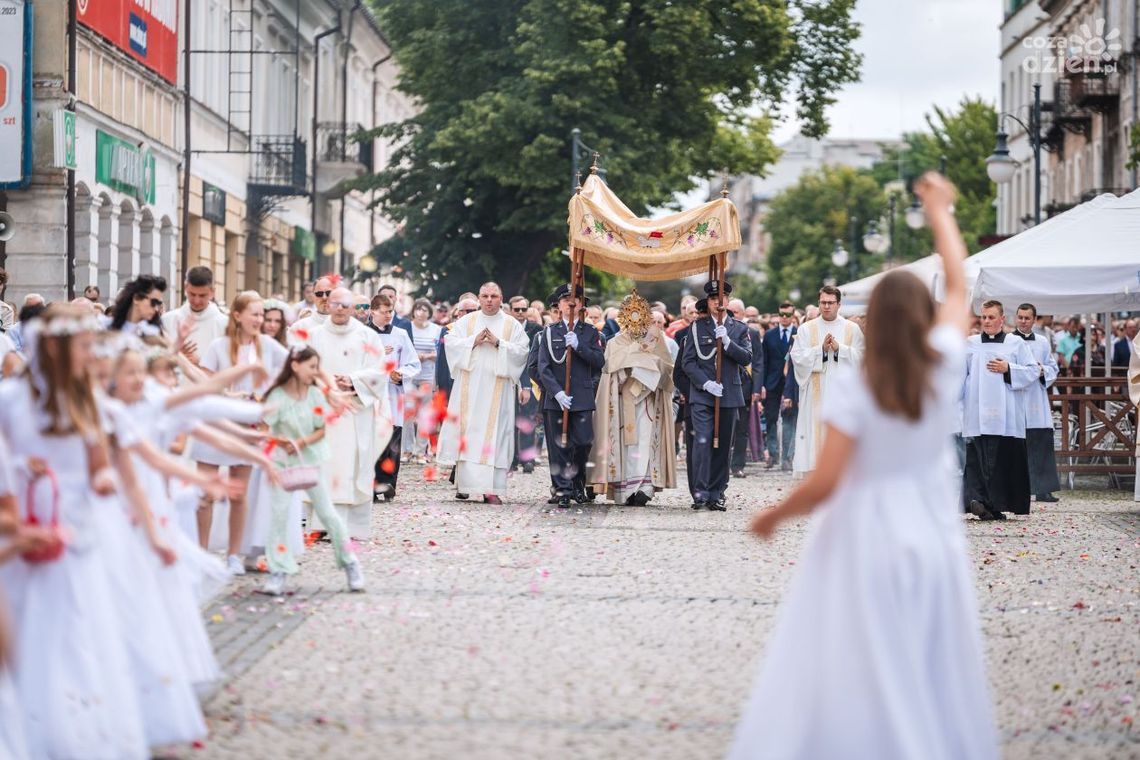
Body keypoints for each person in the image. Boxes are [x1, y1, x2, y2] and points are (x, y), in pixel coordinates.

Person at [732, 172, 998, 760]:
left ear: (871, 319)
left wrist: (773, 516)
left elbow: (826, 481)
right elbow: (959, 288)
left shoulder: (859, 388)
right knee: (927, 649)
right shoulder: (943, 365)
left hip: (864, 531)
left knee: (862, 650)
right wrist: (940, 212)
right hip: (930, 527)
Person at [195, 292, 289, 572]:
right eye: (255, 314)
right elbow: (204, 379)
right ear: (237, 315)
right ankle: (200, 552)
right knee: (206, 493)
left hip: (248, 424)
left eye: (262, 315)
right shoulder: (218, 346)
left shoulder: (268, 346)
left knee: (239, 492)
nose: (260, 320)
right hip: (216, 423)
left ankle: (234, 554)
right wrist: (225, 393)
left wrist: (269, 400)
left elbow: (290, 367)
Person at [259, 347, 366, 595]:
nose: (315, 372)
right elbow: (265, 428)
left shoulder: (316, 395)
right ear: (295, 366)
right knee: (278, 516)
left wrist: (301, 443)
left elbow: (320, 429)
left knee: (328, 514)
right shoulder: (277, 395)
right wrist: (279, 443)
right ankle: (278, 570)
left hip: (309, 460)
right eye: (312, 366)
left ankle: (350, 563)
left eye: (317, 367)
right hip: (281, 462)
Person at [294, 287, 391, 539]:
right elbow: (299, 369)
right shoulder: (312, 336)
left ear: (352, 308)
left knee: (352, 467)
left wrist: (353, 380)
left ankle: (352, 527)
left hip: (355, 411)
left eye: (344, 305)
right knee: (322, 465)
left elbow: (380, 371)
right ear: (327, 305)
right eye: (334, 304)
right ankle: (320, 524)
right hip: (322, 411)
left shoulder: (367, 337)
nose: (339, 309)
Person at [436, 282, 529, 504]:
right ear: (479, 298)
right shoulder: (466, 322)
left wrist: (499, 343)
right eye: (485, 296)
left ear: (501, 298)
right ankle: (467, 485)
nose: (489, 300)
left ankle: (492, 489)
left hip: (498, 390)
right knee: (469, 433)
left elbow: (522, 351)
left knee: (496, 434)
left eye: (494, 296)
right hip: (470, 388)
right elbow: (451, 344)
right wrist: (473, 341)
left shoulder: (511, 324)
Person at [588, 291, 676, 505]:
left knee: (646, 442)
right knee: (625, 445)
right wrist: (625, 370)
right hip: (620, 401)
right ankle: (625, 489)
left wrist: (647, 370)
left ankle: (644, 487)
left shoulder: (654, 340)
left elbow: (667, 369)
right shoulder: (614, 343)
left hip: (647, 400)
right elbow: (608, 372)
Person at [962, 300, 1037, 521]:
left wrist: (1009, 369)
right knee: (978, 459)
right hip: (976, 413)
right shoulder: (970, 344)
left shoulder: (1016, 344)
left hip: (1007, 416)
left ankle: (993, 506)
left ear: (1002, 319)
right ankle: (978, 501)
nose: (986, 321)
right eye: (983, 317)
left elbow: (1032, 371)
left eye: (991, 317)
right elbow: (958, 376)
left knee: (1001, 460)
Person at [680, 279, 752, 510]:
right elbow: (688, 362)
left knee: (723, 446)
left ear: (728, 300)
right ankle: (700, 492)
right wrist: (705, 383)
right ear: (708, 302)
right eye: (713, 298)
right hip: (703, 395)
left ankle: (717, 491)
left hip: (729, 393)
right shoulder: (696, 327)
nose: (717, 302)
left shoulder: (739, 329)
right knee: (702, 441)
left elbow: (747, 358)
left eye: (721, 298)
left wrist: (728, 342)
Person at [536, 284, 606, 507]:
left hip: (582, 397)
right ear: (559, 305)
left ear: (582, 304)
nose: (571, 303)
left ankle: (577, 480)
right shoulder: (549, 332)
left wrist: (579, 346)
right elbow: (543, 367)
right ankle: (562, 489)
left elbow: (599, 361)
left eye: (576, 299)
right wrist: (556, 392)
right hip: (556, 398)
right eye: (566, 299)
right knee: (558, 446)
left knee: (584, 442)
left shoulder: (590, 332)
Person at [789, 286, 864, 476]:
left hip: (844, 394)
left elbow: (864, 359)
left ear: (839, 304)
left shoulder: (852, 328)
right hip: (816, 392)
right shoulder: (807, 329)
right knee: (815, 436)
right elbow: (797, 358)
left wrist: (840, 349)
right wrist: (820, 350)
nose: (827, 306)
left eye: (831, 303)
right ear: (818, 303)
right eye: (823, 302)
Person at [368, 294, 421, 502]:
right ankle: (371, 485)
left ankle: (389, 483)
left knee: (392, 441)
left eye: (390, 312)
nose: (388, 315)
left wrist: (401, 374)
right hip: (371, 395)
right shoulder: (363, 334)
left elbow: (413, 363)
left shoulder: (400, 334)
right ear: (373, 311)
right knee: (373, 440)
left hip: (392, 395)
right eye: (383, 312)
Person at [1014, 303, 1061, 504]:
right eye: (1020, 317)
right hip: (1016, 396)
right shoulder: (1008, 341)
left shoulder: (1042, 341)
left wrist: (1043, 371)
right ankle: (1018, 488)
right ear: (1015, 318)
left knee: (1041, 442)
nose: (1023, 321)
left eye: (1027, 318)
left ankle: (1043, 489)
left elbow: (1053, 367)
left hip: (1037, 396)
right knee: (1017, 446)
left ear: (1034, 320)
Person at [161, 266, 230, 365]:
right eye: (192, 294)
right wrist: (176, 354)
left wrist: (202, 363)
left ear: (212, 292)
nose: (197, 301)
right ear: (185, 288)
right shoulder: (167, 320)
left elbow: (230, 365)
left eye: (202, 295)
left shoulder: (225, 324)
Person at [727, 298, 764, 478]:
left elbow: (757, 363)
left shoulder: (752, 333)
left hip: (745, 387)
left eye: (735, 312)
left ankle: (737, 465)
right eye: (729, 311)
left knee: (742, 429)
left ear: (742, 314)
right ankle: (723, 464)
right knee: (726, 428)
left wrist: (757, 389)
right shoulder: (721, 331)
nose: (732, 315)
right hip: (726, 387)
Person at [405, 298, 442, 463]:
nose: (421, 312)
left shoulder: (436, 330)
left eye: (424, 309)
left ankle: (420, 451)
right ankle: (406, 450)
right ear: (413, 311)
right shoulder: (406, 328)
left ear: (429, 312)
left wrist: (426, 356)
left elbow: (440, 353)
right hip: (410, 375)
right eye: (418, 309)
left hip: (427, 375)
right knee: (407, 412)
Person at [509, 295, 542, 474]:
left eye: (523, 309)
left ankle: (527, 458)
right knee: (511, 420)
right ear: (510, 310)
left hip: (531, 379)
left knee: (529, 420)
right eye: (517, 309)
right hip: (511, 378)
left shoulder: (536, 329)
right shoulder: (506, 328)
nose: (520, 313)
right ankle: (512, 457)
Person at [761, 302, 796, 469]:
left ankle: (788, 457)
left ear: (793, 316)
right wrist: (761, 385)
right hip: (772, 382)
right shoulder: (769, 335)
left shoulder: (799, 333)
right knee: (771, 419)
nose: (784, 317)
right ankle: (773, 453)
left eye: (788, 315)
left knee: (789, 418)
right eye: (781, 314)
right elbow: (763, 362)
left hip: (791, 383)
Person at [289, 275, 335, 342]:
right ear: (314, 296)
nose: (324, 297)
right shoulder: (299, 327)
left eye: (329, 293)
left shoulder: (350, 326)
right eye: (319, 294)